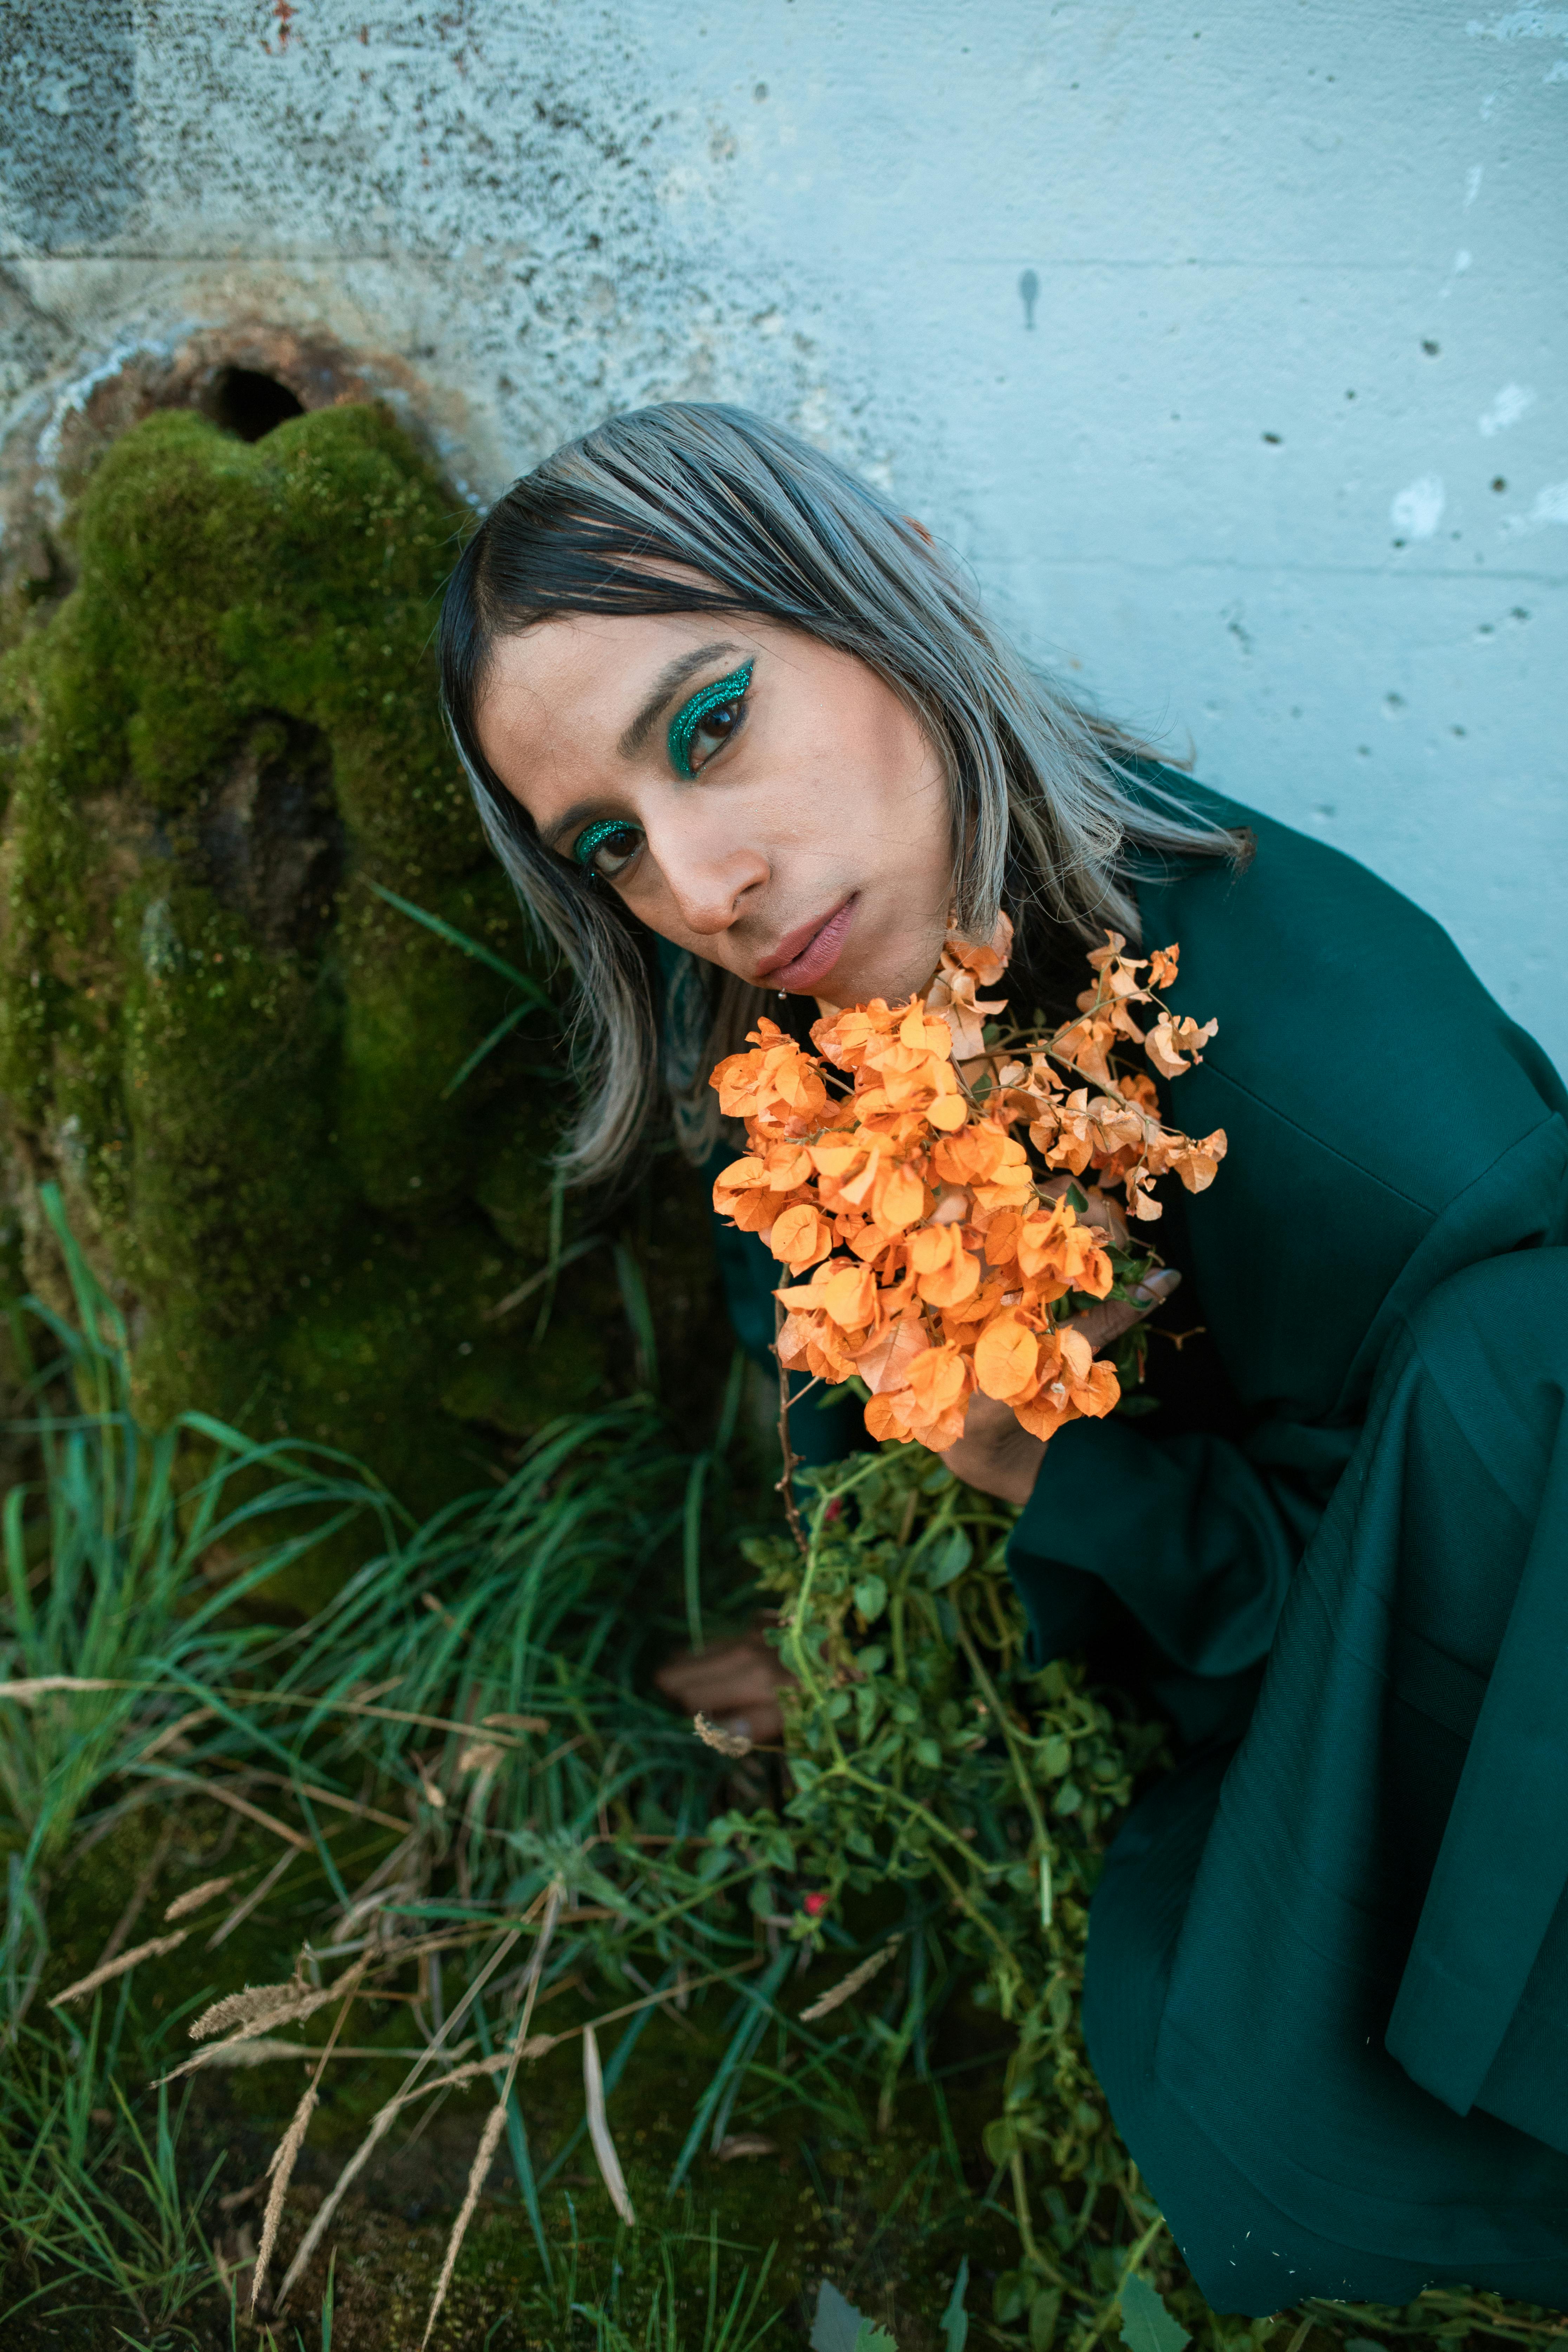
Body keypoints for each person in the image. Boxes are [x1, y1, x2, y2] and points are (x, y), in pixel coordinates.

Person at [438, 401, 1568, 2314]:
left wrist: (1049, 1464)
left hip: (1489, 1604)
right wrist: (855, 1595)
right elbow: (815, 1340)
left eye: (712, 725)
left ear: (898, 592)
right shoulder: (823, 1005)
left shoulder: (1348, 1088)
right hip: (1254, 1590)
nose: (705, 877)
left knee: (1245, 2059)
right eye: (614, 843)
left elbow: (1406, 1599)